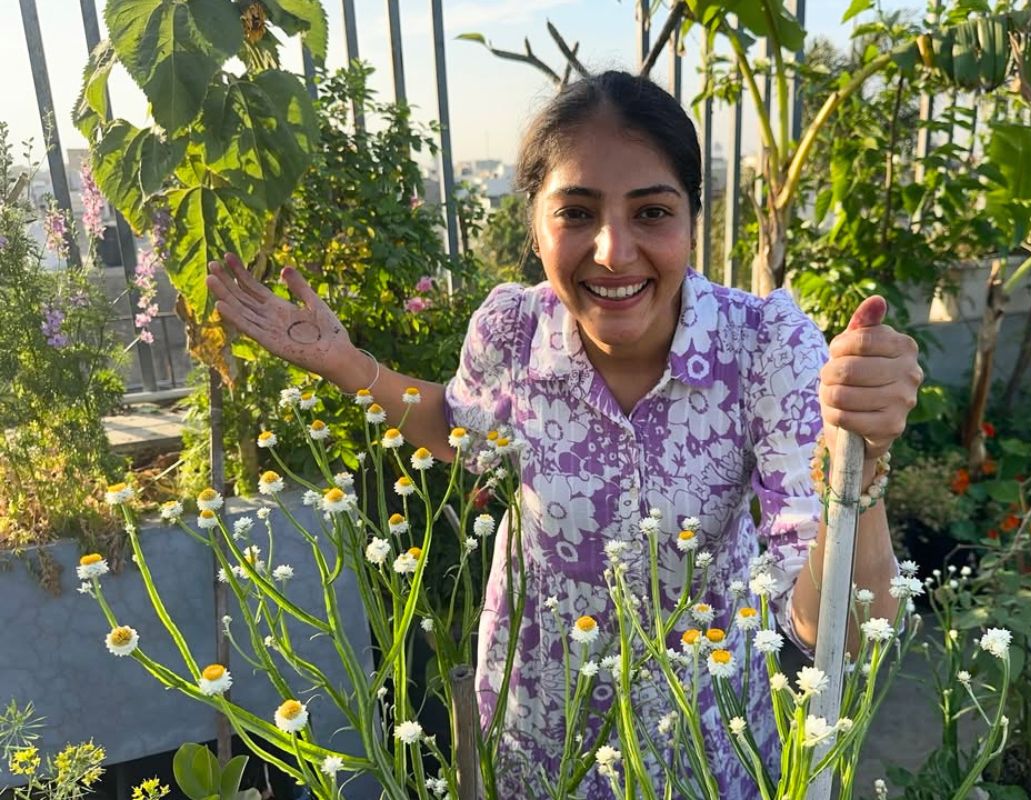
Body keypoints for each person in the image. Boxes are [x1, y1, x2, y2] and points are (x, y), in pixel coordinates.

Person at [207, 70, 921, 798]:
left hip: (703, 750)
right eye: (577, 213)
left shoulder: (765, 348)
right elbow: (461, 434)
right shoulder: (512, 330)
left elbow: (838, 627)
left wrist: (853, 468)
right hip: (534, 732)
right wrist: (351, 365)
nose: (613, 251)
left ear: (692, 220)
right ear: (535, 224)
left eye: (651, 213)